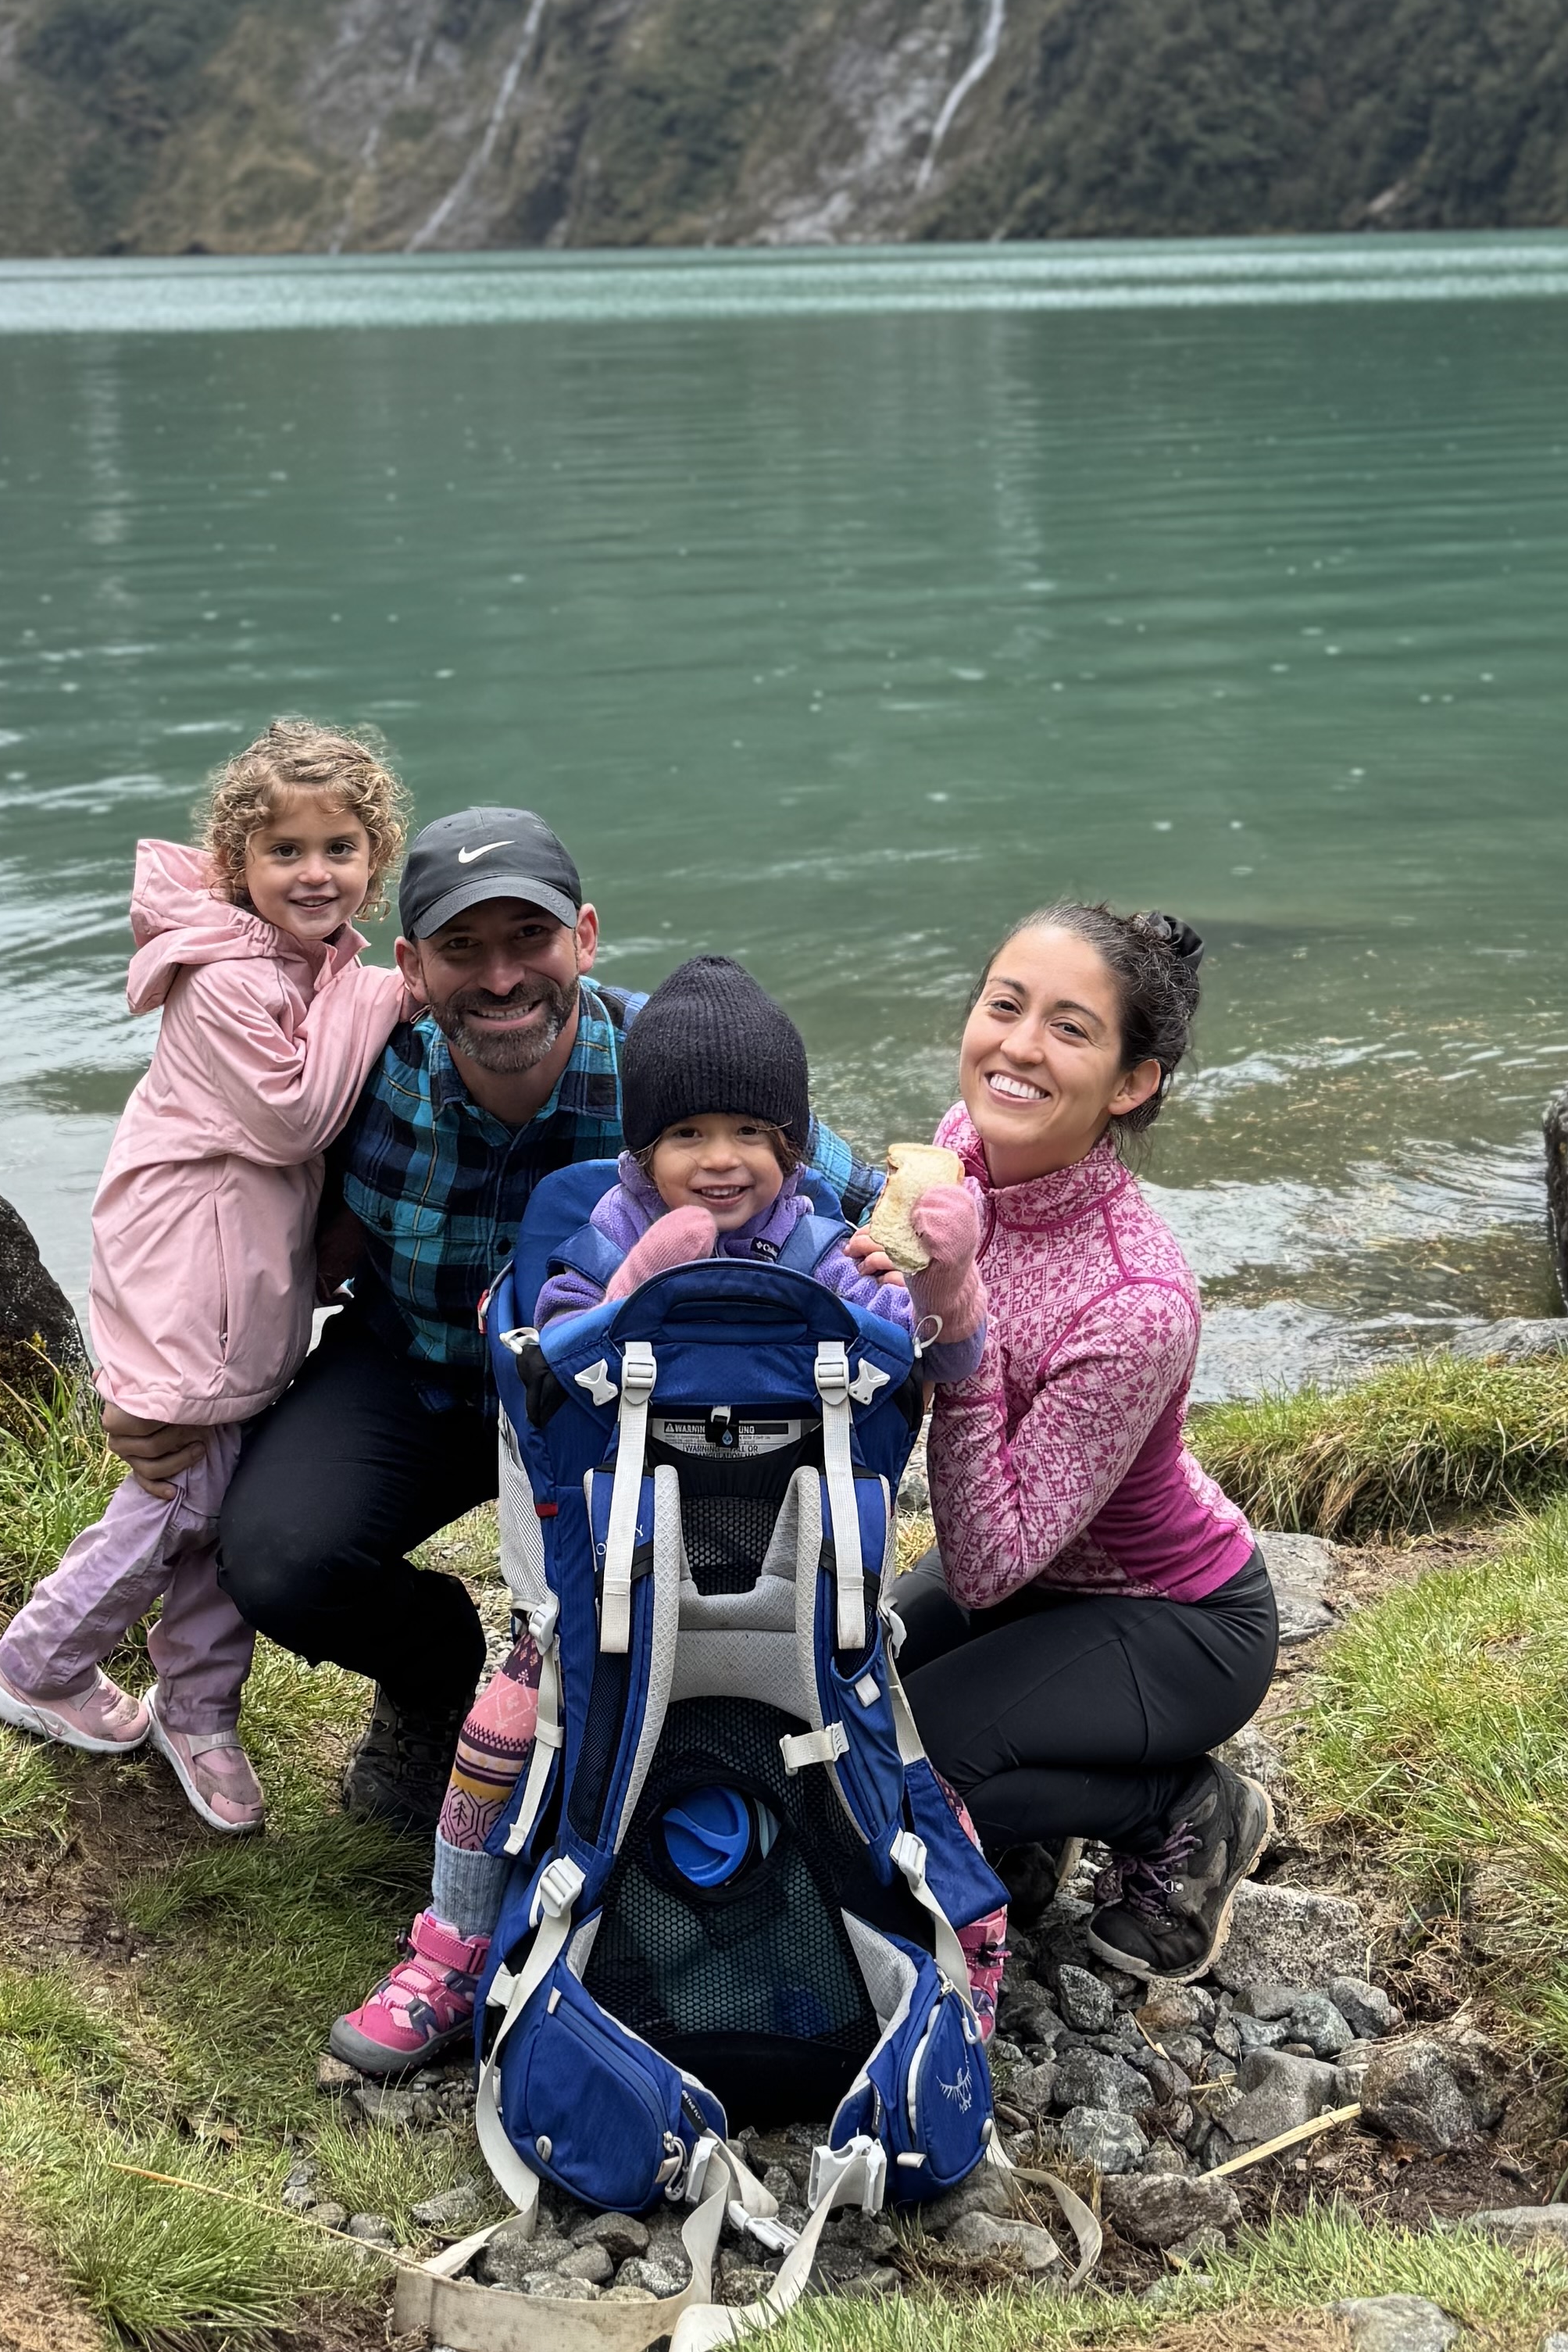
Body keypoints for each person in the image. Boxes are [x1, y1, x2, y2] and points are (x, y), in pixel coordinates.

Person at [324, 953, 980, 2081]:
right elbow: (541, 1368)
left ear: (790, 1144)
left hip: (796, 1586)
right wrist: (637, 1285)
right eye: (686, 1136)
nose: (718, 1162)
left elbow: (932, 1365)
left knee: (898, 1744)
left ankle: (951, 1940)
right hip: (609, 1577)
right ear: (642, 1147)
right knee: (498, 1734)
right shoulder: (600, 1224)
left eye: (747, 1134)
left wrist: (947, 1285)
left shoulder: (824, 1240)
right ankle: (456, 1944)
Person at [216, 810, 884, 1839]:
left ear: (585, 936)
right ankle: (435, 1675)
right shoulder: (358, 1070)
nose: (498, 979)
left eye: (528, 940)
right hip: (420, 1370)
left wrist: (954, 1278)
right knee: (273, 1558)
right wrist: (163, 1387)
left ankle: (698, 1749)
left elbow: (856, 1196)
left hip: (621, 1408)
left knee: (686, 1611)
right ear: (409, 965)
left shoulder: (673, 1068)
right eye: (461, 949)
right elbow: (213, 1202)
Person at [0, 719, 413, 1835]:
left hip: (244, 1279)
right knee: (181, 1489)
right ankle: (38, 1662)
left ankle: (199, 1705)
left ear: (377, 856)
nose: (316, 873)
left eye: (341, 848)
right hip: (186, 1271)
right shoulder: (221, 978)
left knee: (234, 1483)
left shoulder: (306, 962)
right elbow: (294, 1115)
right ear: (235, 865)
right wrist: (387, 994)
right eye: (286, 852)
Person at [862, 901, 1280, 1986]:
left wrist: (958, 1318)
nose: (1017, 1046)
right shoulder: (964, 1151)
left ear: (1131, 1082)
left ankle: (1186, 1810)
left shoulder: (1137, 1298)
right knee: (850, 1695)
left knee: (921, 1762)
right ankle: (1028, 1827)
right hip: (1040, 1584)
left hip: (1177, 1622)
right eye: (1005, 1006)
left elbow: (991, 1560)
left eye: (1069, 1028)